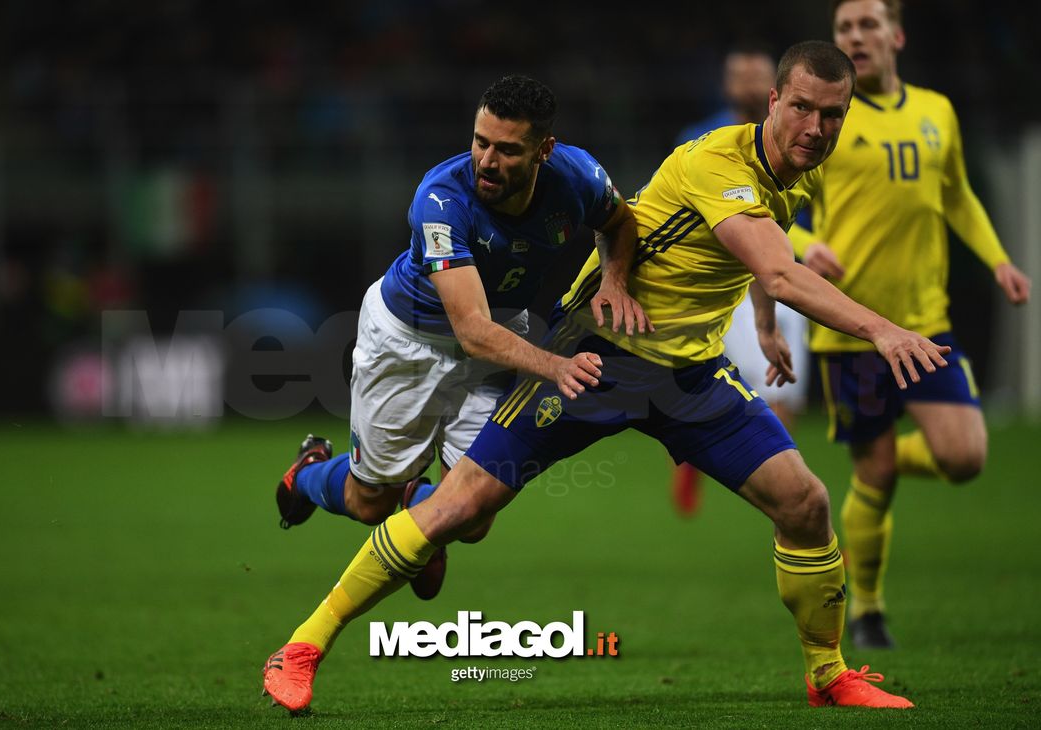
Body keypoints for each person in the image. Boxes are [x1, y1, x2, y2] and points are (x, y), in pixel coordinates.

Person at [262, 41, 948, 712]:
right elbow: (775, 266)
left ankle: (827, 674)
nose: (815, 127)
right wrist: (882, 328)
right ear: (774, 101)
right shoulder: (716, 160)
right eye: (801, 107)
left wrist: (756, 326)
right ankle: (302, 646)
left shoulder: (784, 171)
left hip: (688, 373)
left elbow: (683, 237)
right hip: (588, 355)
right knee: (441, 508)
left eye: (832, 114)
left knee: (804, 503)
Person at [271, 74, 649, 602]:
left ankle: (425, 512)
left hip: (498, 340)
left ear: (545, 150)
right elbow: (471, 330)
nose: (488, 162)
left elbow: (619, 222)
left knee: (473, 517)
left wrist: (614, 281)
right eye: (481, 142)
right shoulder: (442, 199)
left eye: (507, 150)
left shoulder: (579, 175)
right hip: (409, 342)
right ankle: (312, 472)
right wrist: (557, 367)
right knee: (367, 505)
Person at [795, 0, 1032, 649]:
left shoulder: (937, 112)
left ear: (896, 35)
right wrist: (804, 244)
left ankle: (878, 465)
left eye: (868, 24)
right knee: (873, 472)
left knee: (964, 456)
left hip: (926, 321)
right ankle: (867, 608)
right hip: (850, 331)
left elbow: (956, 194)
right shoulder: (823, 123)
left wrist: (1000, 260)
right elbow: (777, 206)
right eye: (844, 28)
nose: (855, 36)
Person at [671, 44, 812, 515]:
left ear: (773, 91)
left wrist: (814, 248)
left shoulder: (802, 144)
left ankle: (791, 501)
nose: (748, 85)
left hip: (780, 275)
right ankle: (791, 505)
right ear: (727, 84)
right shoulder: (700, 137)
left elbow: (796, 220)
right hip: (721, 282)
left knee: (781, 395)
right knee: (715, 384)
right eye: (740, 77)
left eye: (756, 76)